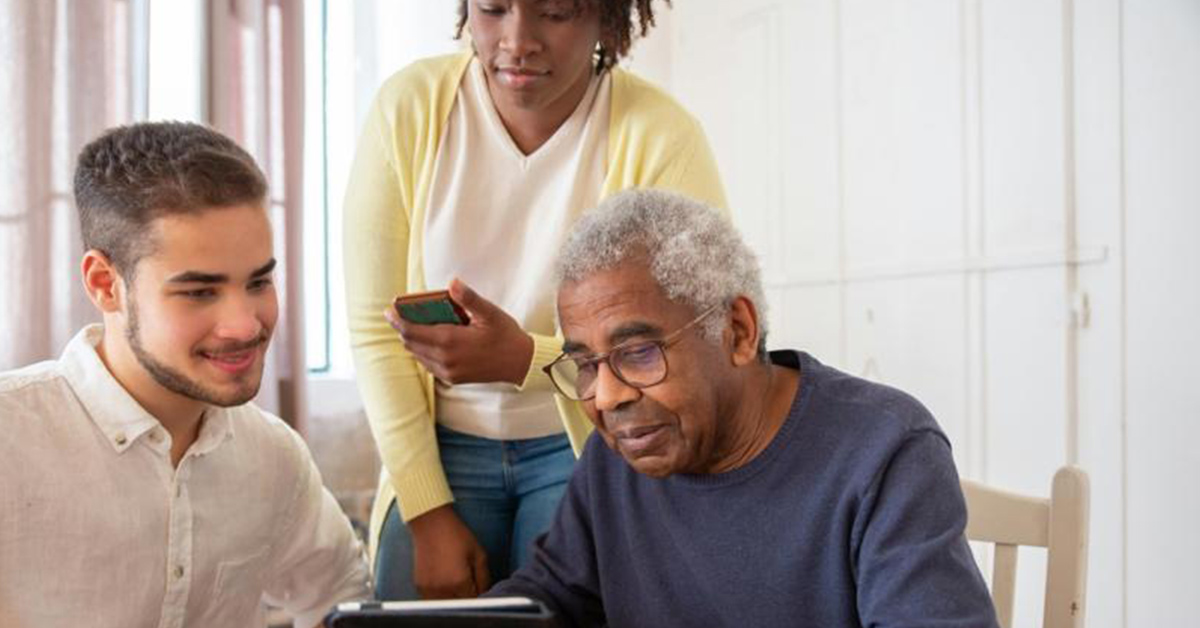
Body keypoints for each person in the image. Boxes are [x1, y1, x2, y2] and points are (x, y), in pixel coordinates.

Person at [343, 0, 727, 601]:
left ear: (606, 18)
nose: (517, 41)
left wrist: (524, 358)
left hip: (586, 442)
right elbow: (374, 326)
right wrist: (426, 513)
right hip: (436, 446)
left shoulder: (660, 133)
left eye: (555, 12)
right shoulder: (410, 108)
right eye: (493, 9)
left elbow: (696, 337)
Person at [486, 189, 1000, 628]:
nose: (606, 396)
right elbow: (546, 602)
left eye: (638, 353)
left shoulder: (883, 451)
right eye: (586, 364)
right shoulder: (615, 458)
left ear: (738, 331)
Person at [0, 122, 371, 628]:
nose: (245, 325)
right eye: (199, 292)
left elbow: (342, 601)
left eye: (259, 281)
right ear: (105, 284)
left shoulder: (273, 458)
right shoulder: (11, 441)